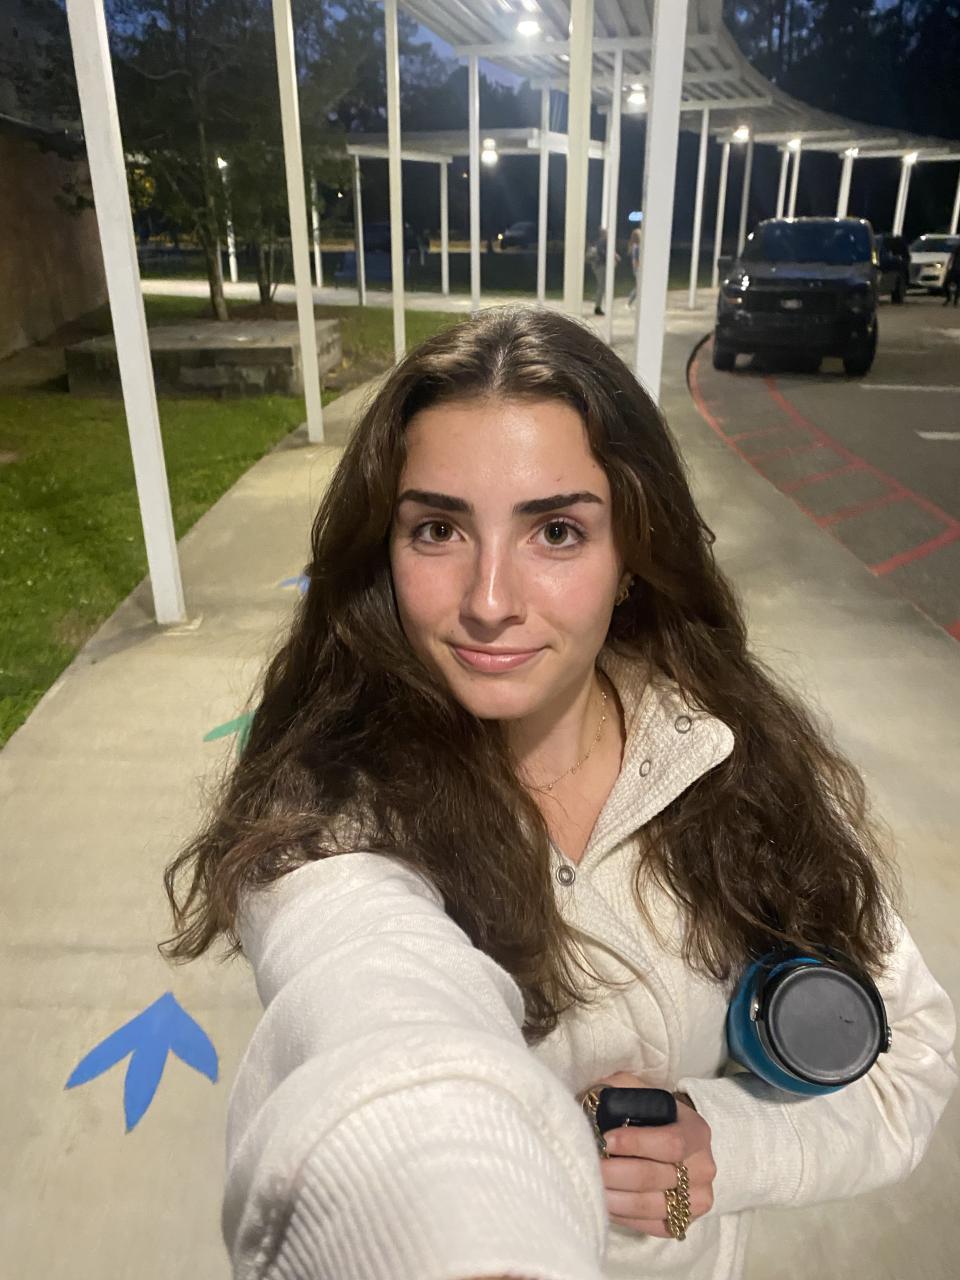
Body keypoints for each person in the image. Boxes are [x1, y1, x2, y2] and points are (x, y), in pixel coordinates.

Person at [161, 306, 956, 1280]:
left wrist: (723, 1147)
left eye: (557, 531)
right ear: (383, 551)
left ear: (632, 560)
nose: (490, 600)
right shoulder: (332, 818)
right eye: (439, 528)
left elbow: (911, 1050)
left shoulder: (726, 754)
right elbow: (374, 1005)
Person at [587, 228, 620, 316]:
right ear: (604, 234)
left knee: (601, 286)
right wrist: (611, 259)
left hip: (599, 266)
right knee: (601, 287)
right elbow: (602, 254)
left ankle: (598, 304)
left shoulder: (600, 242)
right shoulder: (602, 242)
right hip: (600, 266)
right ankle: (597, 307)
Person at [626, 224, 643, 308]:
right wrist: (639, 269)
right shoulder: (636, 247)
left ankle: (631, 301)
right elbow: (636, 260)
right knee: (639, 287)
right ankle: (629, 303)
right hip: (638, 269)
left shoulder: (636, 246)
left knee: (639, 286)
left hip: (637, 269)